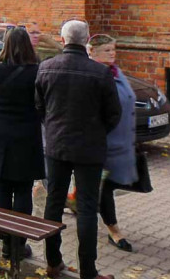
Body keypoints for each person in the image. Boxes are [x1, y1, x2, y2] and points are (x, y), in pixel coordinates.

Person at [35, 19, 121, 279]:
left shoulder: (46, 68)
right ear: (86, 42)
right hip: (89, 148)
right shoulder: (101, 73)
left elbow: (40, 107)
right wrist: (96, 132)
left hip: (57, 145)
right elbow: (113, 114)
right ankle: (88, 271)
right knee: (86, 208)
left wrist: (52, 128)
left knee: (54, 202)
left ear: (63, 40)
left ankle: (53, 262)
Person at [0, 26, 44, 261]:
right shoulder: (36, 71)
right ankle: (20, 242)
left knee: (3, 188)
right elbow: (42, 104)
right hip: (27, 136)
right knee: (23, 189)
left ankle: (5, 241)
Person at [85, 34, 138, 253]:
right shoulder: (93, 75)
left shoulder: (115, 71)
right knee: (105, 187)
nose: (112, 53)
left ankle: (75, 201)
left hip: (121, 142)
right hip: (102, 144)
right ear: (92, 52)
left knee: (106, 186)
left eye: (113, 49)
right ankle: (114, 230)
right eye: (107, 50)